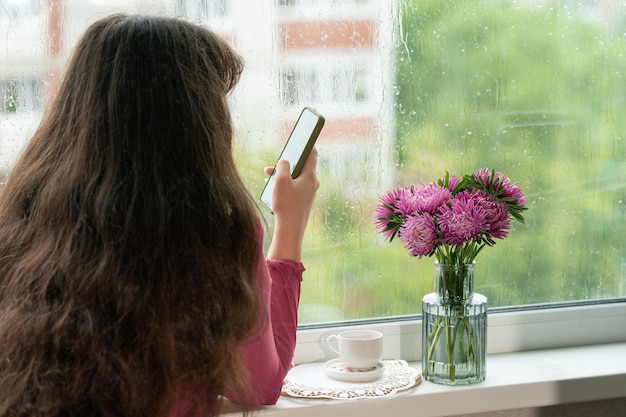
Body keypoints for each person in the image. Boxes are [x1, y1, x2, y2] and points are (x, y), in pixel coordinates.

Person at [0, 14, 319, 417]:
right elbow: (260, 384)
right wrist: (290, 225)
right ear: (195, 126)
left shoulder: (24, 219)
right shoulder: (217, 236)